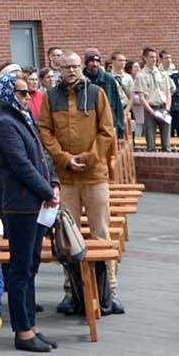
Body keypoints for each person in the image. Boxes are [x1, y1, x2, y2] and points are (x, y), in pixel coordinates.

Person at [41, 53, 123, 317]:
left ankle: (110, 290)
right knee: (67, 236)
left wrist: (88, 158)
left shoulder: (97, 93)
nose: (72, 70)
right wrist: (64, 159)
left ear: (82, 68)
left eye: (76, 66)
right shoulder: (51, 97)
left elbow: (107, 130)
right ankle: (71, 290)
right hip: (66, 177)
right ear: (59, 69)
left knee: (101, 232)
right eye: (67, 67)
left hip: (94, 174)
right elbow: (45, 131)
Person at [0, 65, 60, 353]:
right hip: (21, 205)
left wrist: (54, 182)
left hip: (36, 202)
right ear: (9, 94)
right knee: (20, 269)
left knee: (31, 266)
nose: (29, 96)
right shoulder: (6, 123)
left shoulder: (25, 118)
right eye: (22, 92)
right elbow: (21, 165)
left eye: (30, 92)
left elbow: (43, 156)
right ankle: (22, 330)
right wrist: (47, 191)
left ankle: (32, 324)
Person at [136, 49, 175, 151]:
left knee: (167, 144)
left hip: (163, 108)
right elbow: (141, 97)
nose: (154, 59)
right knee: (151, 142)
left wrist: (167, 109)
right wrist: (151, 111)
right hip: (150, 109)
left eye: (155, 57)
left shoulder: (162, 74)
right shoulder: (141, 75)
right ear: (145, 58)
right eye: (151, 57)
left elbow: (168, 93)